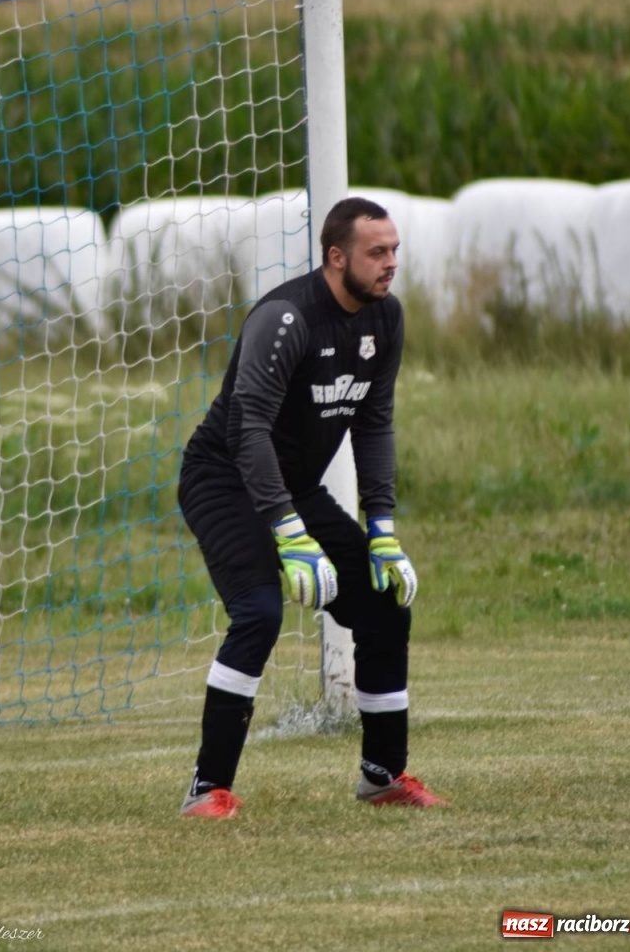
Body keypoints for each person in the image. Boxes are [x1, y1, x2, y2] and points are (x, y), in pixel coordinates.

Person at [177, 196, 447, 818]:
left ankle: (383, 777)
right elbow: (247, 432)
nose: (390, 264)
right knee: (259, 612)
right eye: (376, 252)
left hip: (291, 488)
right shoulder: (285, 318)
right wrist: (289, 532)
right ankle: (206, 790)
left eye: (394, 251)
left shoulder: (386, 320)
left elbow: (374, 426)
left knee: (384, 605)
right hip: (223, 479)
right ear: (335, 256)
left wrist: (381, 528)